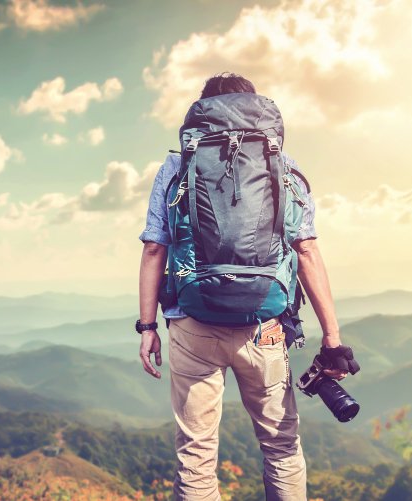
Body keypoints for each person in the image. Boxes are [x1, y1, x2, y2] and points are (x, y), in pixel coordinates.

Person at [135, 73, 351, 501]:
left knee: (196, 455)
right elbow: (305, 251)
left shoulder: (176, 166)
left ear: (201, 115)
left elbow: (154, 251)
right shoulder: (283, 167)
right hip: (265, 326)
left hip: (192, 323)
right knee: (282, 447)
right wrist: (333, 339)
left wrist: (147, 327)